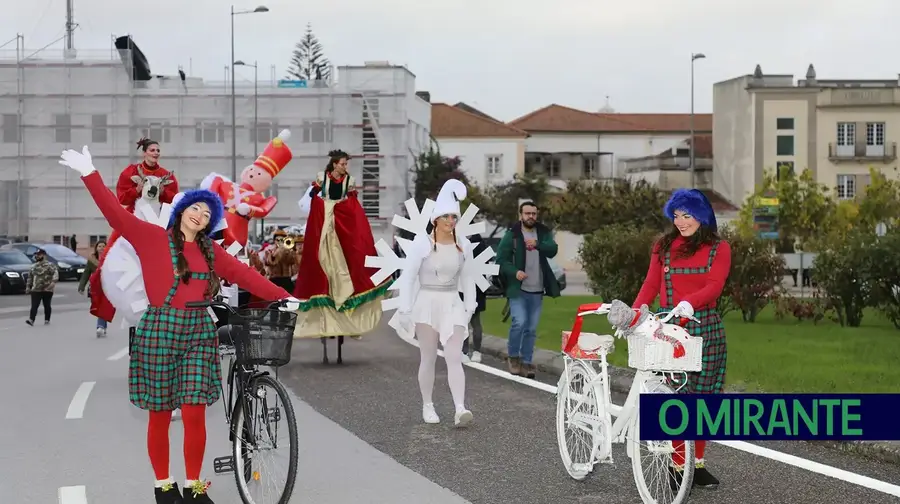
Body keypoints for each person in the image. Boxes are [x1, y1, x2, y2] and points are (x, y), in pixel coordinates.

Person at [59, 145, 299, 504]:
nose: (201, 214)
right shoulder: (150, 237)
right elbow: (113, 213)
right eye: (196, 208)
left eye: (207, 213)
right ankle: (164, 486)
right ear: (181, 210)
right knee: (159, 414)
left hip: (198, 332)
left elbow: (245, 275)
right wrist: (89, 173)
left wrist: (283, 294)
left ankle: (195, 488)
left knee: (194, 414)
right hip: (159, 329)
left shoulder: (210, 252)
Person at [632, 188, 731, 491]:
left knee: (703, 403)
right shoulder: (663, 246)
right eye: (676, 216)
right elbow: (651, 283)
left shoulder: (719, 247)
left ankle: (695, 464)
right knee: (674, 400)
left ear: (702, 216)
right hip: (670, 330)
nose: (681, 222)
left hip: (706, 329)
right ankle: (677, 466)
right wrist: (635, 315)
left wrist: (691, 302)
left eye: (687, 215)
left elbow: (715, 285)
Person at [395, 179, 482, 427]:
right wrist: (404, 307)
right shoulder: (422, 243)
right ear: (436, 219)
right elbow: (409, 277)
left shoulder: (463, 244)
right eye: (446, 217)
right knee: (429, 357)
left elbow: (468, 276)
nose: (450, 221)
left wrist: (470, 304)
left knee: (454, 356)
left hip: (452, 302)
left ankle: (460, 407)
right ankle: (428, 404)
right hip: (427, 304)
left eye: (454, 217)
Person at [293, 149, 392, 362]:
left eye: (346, 164)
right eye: (343, 164)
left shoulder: (349, 182)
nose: (345, 167)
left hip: (340, 224)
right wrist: (318, 200)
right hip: (325, 224)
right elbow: (311, 199)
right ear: (335, 164)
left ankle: (346, 300)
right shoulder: (322, 179)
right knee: (324, 260)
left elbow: (353, 207)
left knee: (349, 257)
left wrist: (342, 211)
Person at [88, 137, 180, 324]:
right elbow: (122, 198)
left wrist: (162, 192)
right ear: (144, 152)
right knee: (106, 257)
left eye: (157, 150)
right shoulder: (130, 172)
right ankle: (103, 302)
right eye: (152, 150)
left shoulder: (167, 175)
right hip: (132, 221)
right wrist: (137, 189)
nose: (155, 153)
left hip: (158, 223)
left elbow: (175, 199)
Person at [495, 201, 560, 378]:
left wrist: (538, 244)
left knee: (531, 328)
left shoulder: (543, 232)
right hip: (518, 290)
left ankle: (526, 361)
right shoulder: (513, 235)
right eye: (527, 213)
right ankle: (513, 356)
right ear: (520, 215)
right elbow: (500, 261)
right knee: (519, 322)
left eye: (534, 213)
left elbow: (553, 250)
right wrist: (514, 272)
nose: (531, 216)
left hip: (537, 290)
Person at [460, 232, 487, 363]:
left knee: (464, 321)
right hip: (477, 286)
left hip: (465, 286)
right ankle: (476, 351)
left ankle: (465, 350)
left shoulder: (461, 243)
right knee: (475, 322)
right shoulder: (481, 245)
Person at [78, 240, 108, 337]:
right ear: (96, 248)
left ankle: (100, 326)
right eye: (99, 246)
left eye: (104, 246)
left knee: (102, 307)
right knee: (98, 307)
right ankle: (102, 326)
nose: (102, 248)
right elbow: (86, 274)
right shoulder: (92, 260)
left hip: (107, 288)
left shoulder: (110, 258)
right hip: (94, 288)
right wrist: (81, 287)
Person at [25, 247, 57, 326]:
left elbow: (55, 275)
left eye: (39, 255)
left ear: (44, 256)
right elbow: (30, 277)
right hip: (36, 289)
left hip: (47, 289)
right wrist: (28, 287)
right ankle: (31, 320)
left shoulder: (50, 265)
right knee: (34, 305)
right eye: (37, 255)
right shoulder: (33, 266)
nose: (37, 256)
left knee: (47, 305)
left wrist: (52, 284)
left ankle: (47, 319)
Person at [264, 229, 299, 293]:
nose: (279, 242)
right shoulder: (269, 250)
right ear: (274, 241)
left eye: (281, 240)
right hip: (274, 279)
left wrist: (289, 251)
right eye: (277, 240)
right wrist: (278, 251)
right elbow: (270, 262)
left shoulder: (288, 250)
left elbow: (292, 261)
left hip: (286, 279)